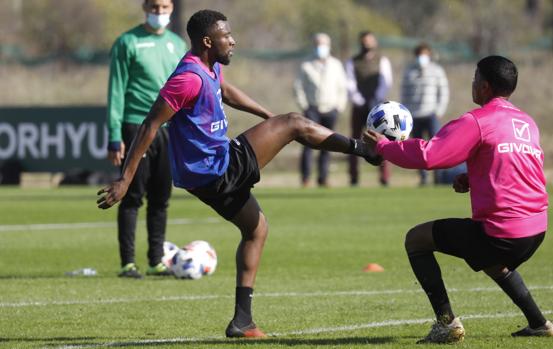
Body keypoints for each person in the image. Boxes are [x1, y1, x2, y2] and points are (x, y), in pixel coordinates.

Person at [97, 9, 379, 338]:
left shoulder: (209, 67)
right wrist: (126, 179)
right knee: (295, 123)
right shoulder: (187, 78)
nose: (233, 41)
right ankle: (365, 151)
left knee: (256, 229)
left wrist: (266, 116)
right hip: (217, 167)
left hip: (206, 176)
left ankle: (242, 321)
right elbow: (150, 124)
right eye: (226, 36)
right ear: (207, 41)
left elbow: (226, 92)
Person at [364, 56, 553, 343]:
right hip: (536, 229)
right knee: (488, 258)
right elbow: (514, 162)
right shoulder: (526, 122)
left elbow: (430, 154)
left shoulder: (477, 121)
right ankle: (539, 323)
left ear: (485, 86)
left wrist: (384, 147)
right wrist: (472, 176)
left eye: (474, 78)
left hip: (502, 231)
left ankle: (446, 324)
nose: (472, 83)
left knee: (416, 239)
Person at [106, 0, 186, 278]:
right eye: (154, 7)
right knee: (131, 195)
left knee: (161, 198)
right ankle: (128, 262)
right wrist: (115, 135)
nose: (159, 13)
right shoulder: (127, 42)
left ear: (172, 8)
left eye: (164, 7)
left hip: (168, 128)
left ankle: (156, 260)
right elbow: (116, 90)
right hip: (136, 125)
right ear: (145, 7)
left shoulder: (177, 44)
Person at [293, 33, 348, 187]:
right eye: (318, 44)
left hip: (331, 109)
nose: (320, 47)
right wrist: (305, 106)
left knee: (328, 145)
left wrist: (339, 106)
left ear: (329, 46)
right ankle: (305, 178)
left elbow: (342, 87)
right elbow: (298, 87)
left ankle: (323, 178)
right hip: (312, 109)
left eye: (323, 44)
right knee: (308, 145)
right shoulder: (306, 65)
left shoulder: (336, 65)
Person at [346, 31, 393, 186]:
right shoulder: (352, 61)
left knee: (382, 140)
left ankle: (384, 177)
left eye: (369, 41)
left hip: (378, 106)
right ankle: (353, 177)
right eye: (364, 41)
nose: (367, 44)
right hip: (359, 105)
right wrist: (359, 99)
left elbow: (386, 82)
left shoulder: (382, 60)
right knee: (354, 140)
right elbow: (350, 83)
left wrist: (376, 99)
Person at [400, 43, 449, 186]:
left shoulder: (437, 70)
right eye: (420, 55)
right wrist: (406, 113)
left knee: (436, 146)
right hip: (414, 114)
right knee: (418, 148)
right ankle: (423, 177)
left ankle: (438, 177)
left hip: (431, 113)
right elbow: (404, 93)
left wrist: (439, 110)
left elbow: (443, 91)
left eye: (425, 54)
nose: (422, 58)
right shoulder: (409, 71)